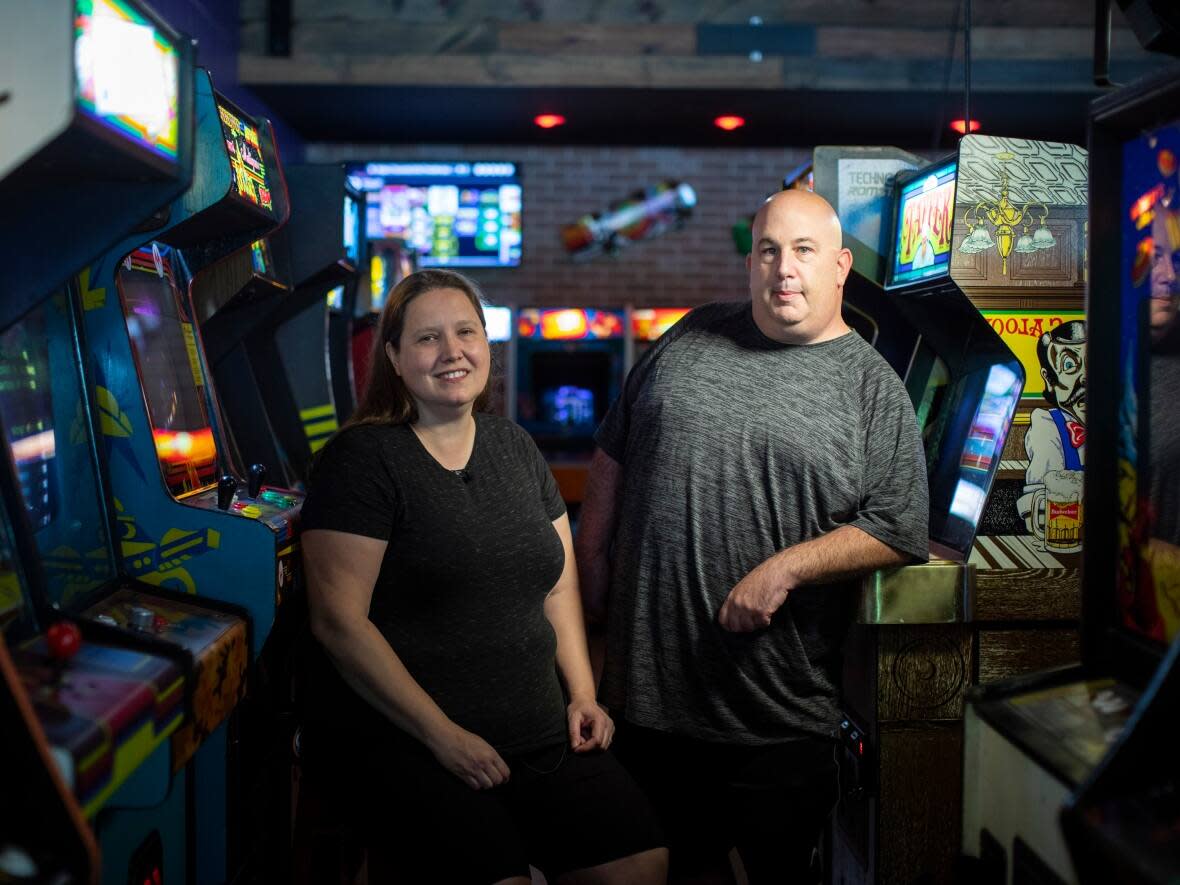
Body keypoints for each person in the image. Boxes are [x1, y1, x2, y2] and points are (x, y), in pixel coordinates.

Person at [575, 189, 929, 883]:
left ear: (840, 267)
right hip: (640, 707)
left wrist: (787, 568)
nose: (784, 268)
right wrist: (590, 578)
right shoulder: (692, 333)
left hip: (772, 721)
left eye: (803, 251)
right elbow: (612, 454)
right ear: (750, 263)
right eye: (768, 249)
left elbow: (898, 523)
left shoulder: (870, 387)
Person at [300, 269, 667, 884]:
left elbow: (559, 583)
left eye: (466, 332)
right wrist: (442, 736)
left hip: (541, 736)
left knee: (641, 863)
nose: (452, 352)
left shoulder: (515, 446)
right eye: (427, 338)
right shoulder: (361, 461)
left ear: (488, 346)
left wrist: (582, 692)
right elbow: (338, 622)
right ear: (391, 355)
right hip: (417, 746)